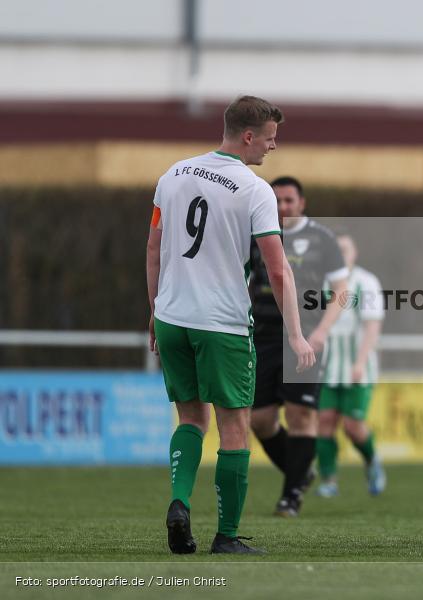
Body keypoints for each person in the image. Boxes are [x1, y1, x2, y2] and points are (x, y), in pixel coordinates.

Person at [147, 95, 315, 555]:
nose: (272, 147)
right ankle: (226, 536)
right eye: (269, 138)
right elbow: (278, 270)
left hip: (171, 316)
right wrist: (296, 332)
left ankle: (180, 503)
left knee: (190, 417)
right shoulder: (254, 189)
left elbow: (153, 249)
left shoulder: (173, 174)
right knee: (234, 424)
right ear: (247, 136)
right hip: (221, 322)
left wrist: (154, 308)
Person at [248, 176, 348, 518]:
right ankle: (301, 471)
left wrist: (321, 332)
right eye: (276, 200)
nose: (282, 207)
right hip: (262, 337)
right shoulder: (256, 235)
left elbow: (341, 290)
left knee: (300, 414)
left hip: (305, 338)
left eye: (289, 200)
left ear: (301, 203)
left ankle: (290, 496)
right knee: (259, 420)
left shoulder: (322, 238)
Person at [316, 231, 387, 497]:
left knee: (352, 426)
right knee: (324, 421)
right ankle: (329, 480)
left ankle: (372, 462)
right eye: (337, 250)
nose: (341, 254)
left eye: (346, 249)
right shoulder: (322, 282)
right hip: (327, 366)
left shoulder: (366, 282)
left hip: (358, 365)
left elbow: (372, 326)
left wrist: (359, 362)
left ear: (354, 253)